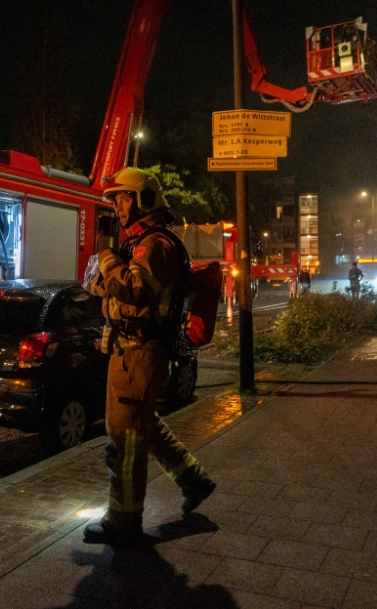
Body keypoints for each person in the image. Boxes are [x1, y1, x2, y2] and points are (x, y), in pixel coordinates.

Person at [83, 168, 215, 545]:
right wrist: (106, 275)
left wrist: (108, 259)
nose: (119, 208)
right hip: (130, 351)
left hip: (138, 352)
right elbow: (119, 287)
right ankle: (194, 479)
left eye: (124, 199)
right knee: (145, 426)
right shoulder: (142, 243)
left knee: (125, 438)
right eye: (117, 201)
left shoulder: (155, 244)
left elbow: (137, 290)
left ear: (143, 200)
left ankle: (123, 521)